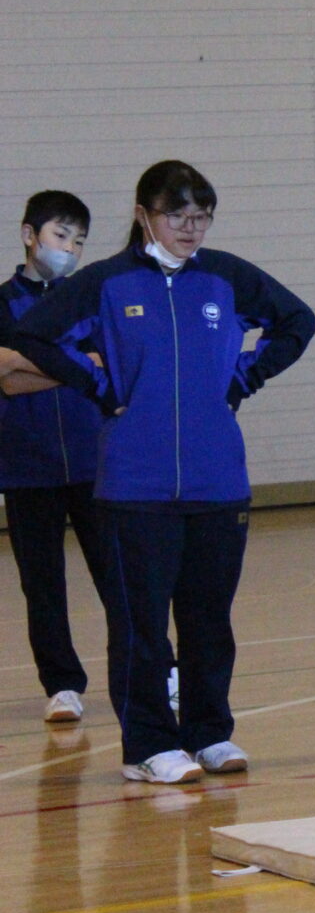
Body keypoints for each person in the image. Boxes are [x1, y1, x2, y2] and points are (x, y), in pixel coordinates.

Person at [10, 161, 315, 784]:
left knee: (209, 621)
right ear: (144, 213)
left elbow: (297, 322)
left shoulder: (225, 277)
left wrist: (244, 377)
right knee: (142, 626)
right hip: (135, 486)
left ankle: (210, 734)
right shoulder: (108, 282)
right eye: (177, 215)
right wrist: (98, 382)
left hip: (217, 482)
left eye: (202, 217)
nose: (191, 229)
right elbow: (33, 334)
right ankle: (147, 745)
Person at [0, 191, 108, 724]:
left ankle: (156, 669)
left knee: (122, 576)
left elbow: (103, 363)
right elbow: (5, 380)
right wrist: (72, 364)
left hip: (98, 464)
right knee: (41, 583)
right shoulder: (2, 304)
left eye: (79, 241)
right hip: (26, 466)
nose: (69, 248)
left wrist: (30, 363)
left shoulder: (91, 300)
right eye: (61, 236)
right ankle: (62, 684)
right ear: (29, 235)